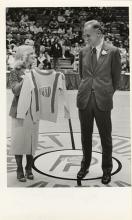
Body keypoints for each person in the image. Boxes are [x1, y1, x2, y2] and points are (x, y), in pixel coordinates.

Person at [76, 20, 121, 184]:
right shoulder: (83, 51)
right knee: (85, 137)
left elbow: (116, 78)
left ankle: (106, 169)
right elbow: (82, 75)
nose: (85, 37)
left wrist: (106, 92)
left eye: (88, 35)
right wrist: (88, 89)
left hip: (103, 100)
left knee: (105, 137)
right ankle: (84, 165)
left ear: (99, 33)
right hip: (84, 100)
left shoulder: (113, 51)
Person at [8, 45, 40, 182]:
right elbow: (15, 90)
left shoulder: (36, 71)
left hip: (33, 111)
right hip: (19, 111)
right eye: (32, 53)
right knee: (19, 141)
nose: (35, 56)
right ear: (24, 56)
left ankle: (29, 168)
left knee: (32, 141)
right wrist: (26, 79)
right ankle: (19, 168)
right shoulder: (15, 72)